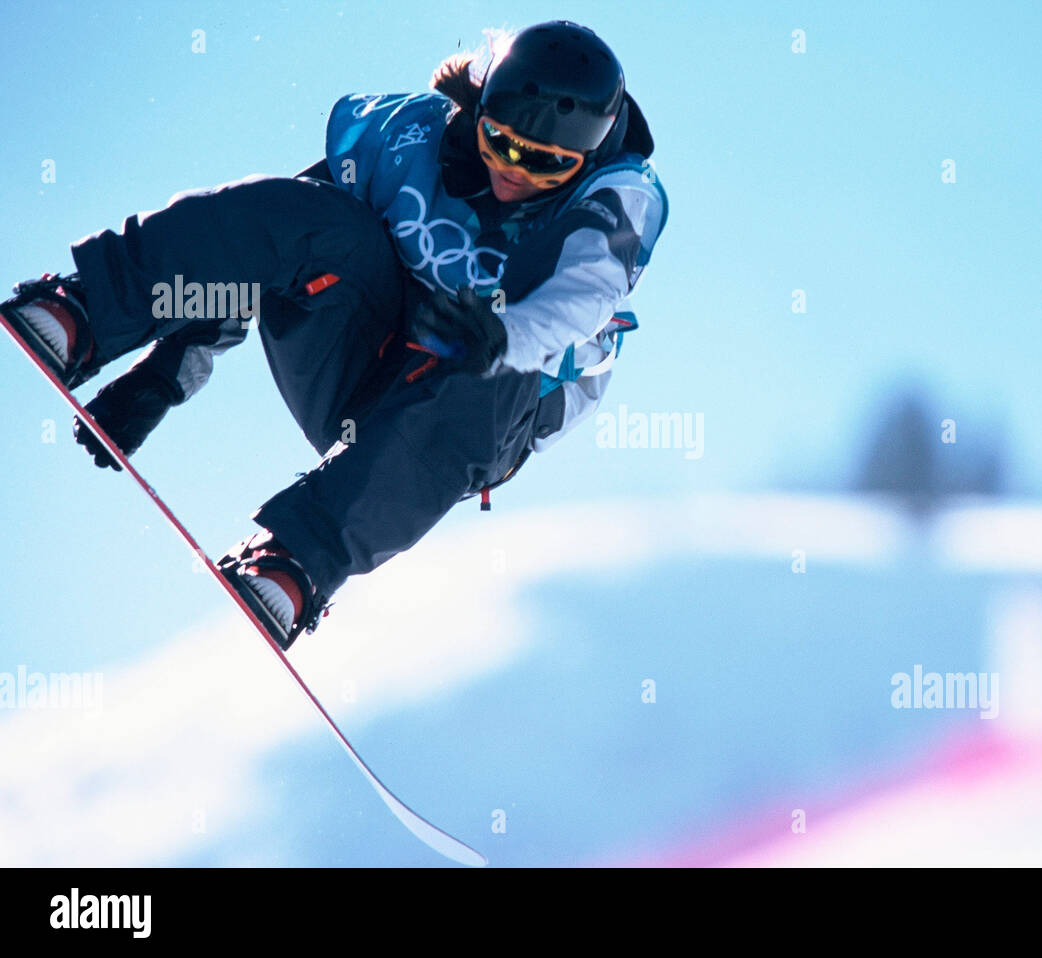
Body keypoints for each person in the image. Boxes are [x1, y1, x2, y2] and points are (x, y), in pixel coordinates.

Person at [0, 20, 668, 649]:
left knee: (495, 370)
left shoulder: (611, 206)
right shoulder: (411, 142)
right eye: (500, 142)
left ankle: (297, 566)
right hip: (352, 356)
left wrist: (501, 338)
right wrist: (168, 371)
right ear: (478, 109)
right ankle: (86, 312)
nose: (515, 170)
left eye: (546, 163)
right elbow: (277, 244)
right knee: (324, 218)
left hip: (457, 424)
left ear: (584, 160)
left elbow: (581, 302)